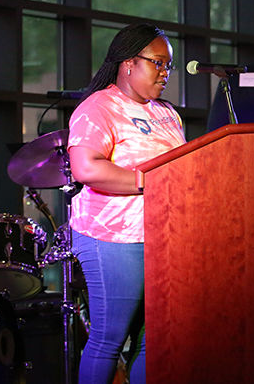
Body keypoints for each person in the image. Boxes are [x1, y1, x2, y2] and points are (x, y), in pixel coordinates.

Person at [68, 23, 186, 384]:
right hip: (113, 238)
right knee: (109, 339)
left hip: (162, 239)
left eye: (169, 66)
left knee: (155, 342)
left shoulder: (168, 113)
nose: (165, 73)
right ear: (128, 64)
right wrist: (149, 181)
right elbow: (86, 167)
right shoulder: (99, 107)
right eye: (158, 63)